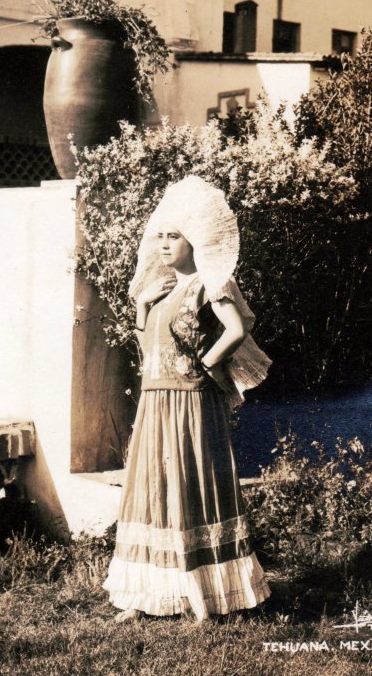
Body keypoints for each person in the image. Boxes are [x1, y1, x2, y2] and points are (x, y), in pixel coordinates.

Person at [103, 175, 272, 622]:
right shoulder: (159, 290)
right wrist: (142, 308)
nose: (163, 244)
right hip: (156, 401)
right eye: (159, 235)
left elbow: (238, 329)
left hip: (193, 403)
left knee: (191, 486)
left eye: (173, 236)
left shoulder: (209, 283)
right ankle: (146, 594)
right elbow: (149, 350)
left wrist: (209, 362)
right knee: (154, 488)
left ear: (194, 240)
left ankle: (206, 594)